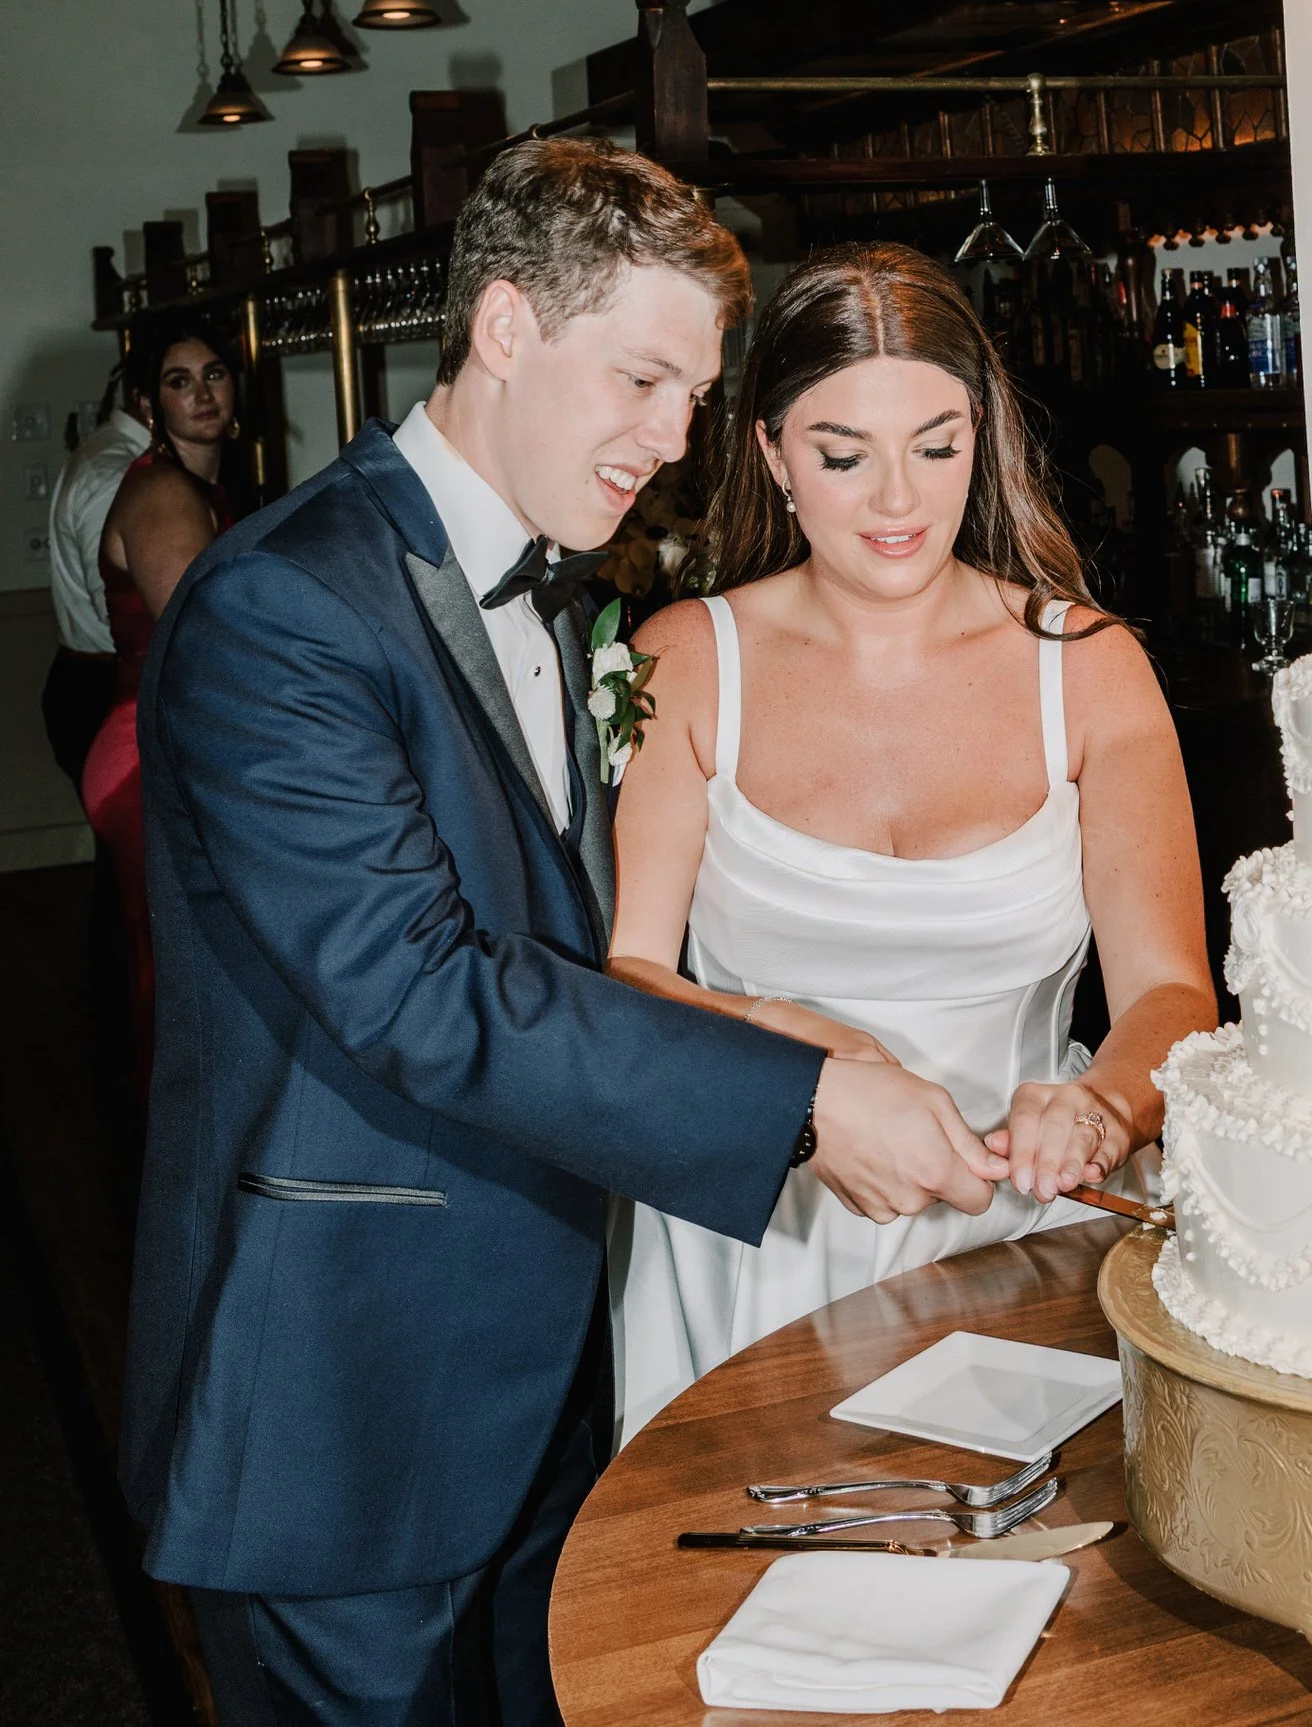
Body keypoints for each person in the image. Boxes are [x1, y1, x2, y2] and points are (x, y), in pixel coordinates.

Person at [120, 142, 1008, 1727]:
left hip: (547, 1375)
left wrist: (786, 1027)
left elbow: (574, 953)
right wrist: (797, 1106)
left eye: (694, 392)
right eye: (645, 379)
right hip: (347, 1393)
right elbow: (423, 992)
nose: (672, 441)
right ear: (509, 328)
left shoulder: (562, 584)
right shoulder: (282, 607)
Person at [606, 242, 1216, 1441]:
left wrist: (1099, 1106)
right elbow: (625, 980)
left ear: (983, 438)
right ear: (773, 451)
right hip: (754, 1242)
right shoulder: (683, 662)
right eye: (845, 457)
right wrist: (798, 1068)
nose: (900, 503)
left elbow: (1174, 991)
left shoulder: (1088, 671)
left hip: (1030, 1240)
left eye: (937, 447)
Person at [81, 323, 238, 1089]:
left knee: (182, 962)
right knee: (174, 969)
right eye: (181, 381)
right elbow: (207, 643)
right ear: (149, 402)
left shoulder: (196, 486)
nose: (203, 393)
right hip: (150, 750)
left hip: (167, 738)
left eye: (214, 374)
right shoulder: (162, 490)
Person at [41, 367, 151, 787]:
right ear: (146, 399)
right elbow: (114, 603)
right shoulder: (115, 470)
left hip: (91, 683)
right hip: (104, 689)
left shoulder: (111, 453)